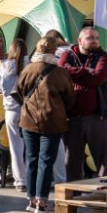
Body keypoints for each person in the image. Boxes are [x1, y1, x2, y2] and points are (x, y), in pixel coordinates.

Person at [16, 37, 76, 213]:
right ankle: (42, 203)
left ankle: (31, 200)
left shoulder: (27, 69)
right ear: (53, 51)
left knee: (32, 160)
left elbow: (19, 91)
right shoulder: (59, 72)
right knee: (46, 161)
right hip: (52, 120)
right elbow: (70, 97)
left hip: (28, 119)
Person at [59, 27, 107, 181]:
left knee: (104, 163)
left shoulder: (104, 56)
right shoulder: (66, 55)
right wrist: (87, 71)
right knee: (72, 163)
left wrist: (74, 73)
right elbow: (62, 71)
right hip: (72, 117)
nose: (94, 41)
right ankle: (73, 199)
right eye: (90, 38)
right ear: (80, 40)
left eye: (96, 37)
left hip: (97, 117)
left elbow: (98, 77)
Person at [0, 38, 29, 191]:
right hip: (28, 110)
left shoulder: (5, 66)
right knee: (31, 146)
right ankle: (32, 177)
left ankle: (20, 180)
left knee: (16, 147)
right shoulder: (30, 65)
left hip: (11, 110)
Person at [44, 30, 70, 184]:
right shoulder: (73, 52)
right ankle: (65, 176)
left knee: (55, 141)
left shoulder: (56, 56)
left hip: (54, 102)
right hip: (69, 103)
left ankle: (59, 178)